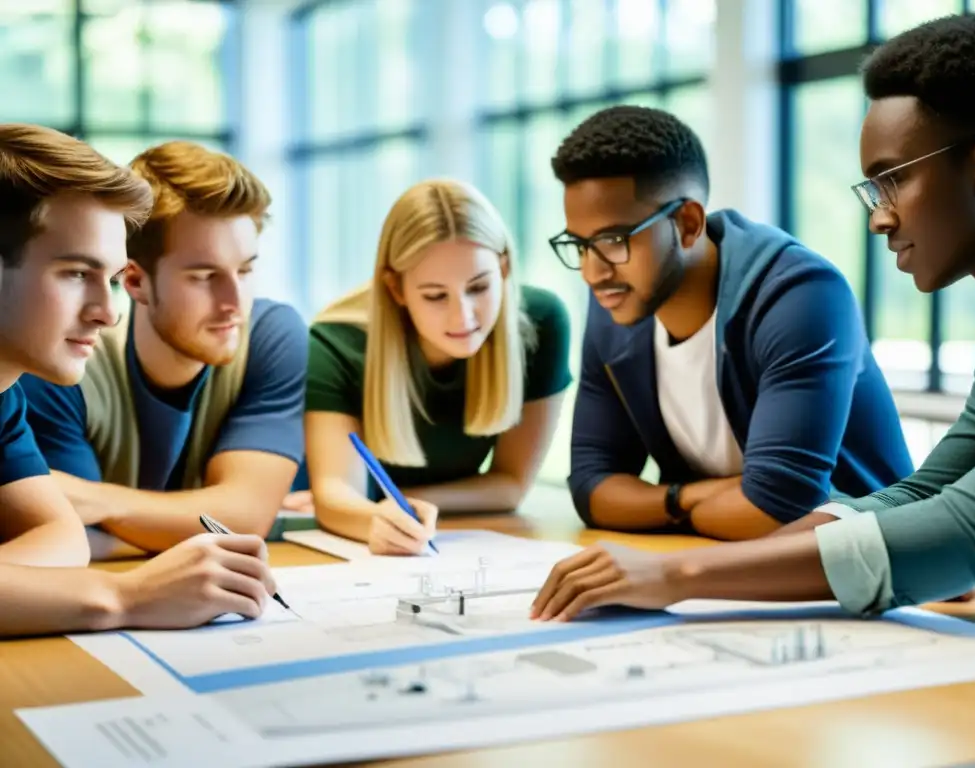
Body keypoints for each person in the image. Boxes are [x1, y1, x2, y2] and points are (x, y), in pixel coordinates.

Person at [530, 12, 975, 622]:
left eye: (891, 181)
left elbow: (967, 532)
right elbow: (921, 495)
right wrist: (719, 565)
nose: (879, 218)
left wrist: (679, 575)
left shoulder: (796, 288)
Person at [548, 105, 913, 542]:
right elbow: (592, 487)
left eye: (613, 240)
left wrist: (662, 503)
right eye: (580, 244)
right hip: (718, 568)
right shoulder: (619, 304)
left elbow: (778, 511)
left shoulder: (801, 295)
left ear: (687, 224)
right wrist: (689, 501)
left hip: (867, 573)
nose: (592, 272)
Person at [0, 123, 277, 637]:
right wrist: (126, 597)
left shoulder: (4, 399)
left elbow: (63, 537)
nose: (108, 313)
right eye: (76, 274)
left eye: (108, 280)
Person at [20, 140, 308, 557]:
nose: (234, 302)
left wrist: (97, 500)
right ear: (135, 281)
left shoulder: (271, 336)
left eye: (245, 270)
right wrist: (208, 517)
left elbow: (244, 519)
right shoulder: (63, 362)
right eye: (205, 276)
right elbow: (65, 537)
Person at [305, 178, 572, 555]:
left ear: (505, 268)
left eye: (479, 287)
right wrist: (369, 517)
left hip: (427, 524)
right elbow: (334, 495)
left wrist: (404, 502)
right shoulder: (334, 344)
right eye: (434, 296)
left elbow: (511, 485)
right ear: (396, 289)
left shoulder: (541, 322)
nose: (462, 316)